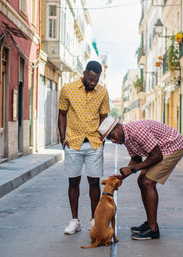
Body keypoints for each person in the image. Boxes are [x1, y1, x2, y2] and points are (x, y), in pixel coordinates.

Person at [98, 117, 183, 240]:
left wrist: (133, 169)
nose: (113, 140)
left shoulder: (137, 131)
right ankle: (150, 222)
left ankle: (153, 230)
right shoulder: (126, 138)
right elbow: (136, 159)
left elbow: (156, 156)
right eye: (109, 139)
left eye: (112, 135)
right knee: (141, 181)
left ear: (118, 127)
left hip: (173, 146)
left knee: (148, 183)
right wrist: (122, 176)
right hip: (160, 150)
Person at [58, 61, 110, 235]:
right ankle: (74, 221)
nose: (93, 83)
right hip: (73, 143)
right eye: (90, 79)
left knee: (94, 182)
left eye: (96, 80)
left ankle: (94, 220)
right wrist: (63, 138)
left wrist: (102, 140)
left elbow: (104, 118)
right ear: (85, 73)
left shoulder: (102, 92)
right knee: (73, 181)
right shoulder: (68, 89)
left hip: (94, 144)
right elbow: (62, 114)